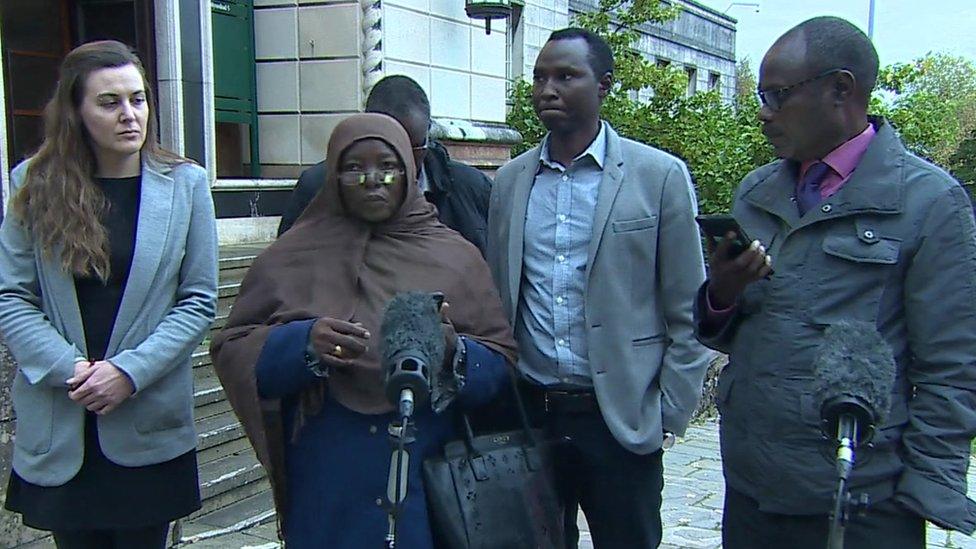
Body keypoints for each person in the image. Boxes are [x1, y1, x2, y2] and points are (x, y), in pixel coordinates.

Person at [696, 16, 976, 548]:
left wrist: (925, 488)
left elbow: (953, 366)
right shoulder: (757, 191)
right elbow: (723, 333)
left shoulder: (929, 203)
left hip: (863, 499)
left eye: (777, 96)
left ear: (840, 89)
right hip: (753, 485)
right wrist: (723, 293)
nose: (763, 113)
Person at [211, 113, 518, 548]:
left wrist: (452, 350)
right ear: (333, 175)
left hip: (427, 480)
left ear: (410, 172)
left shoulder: (454, 256)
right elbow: (234, 351)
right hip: (329, 481)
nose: (372, 179)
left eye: (387, 166)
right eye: (354, 168)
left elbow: (501, 363)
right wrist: (304, 343)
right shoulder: (292, 255)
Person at [486, 28, 711, 549]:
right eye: (540, 76)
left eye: (566, 76)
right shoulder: (511, 182)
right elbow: (501, 293)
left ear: (605, 84)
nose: (548, 88)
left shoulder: (658, 176)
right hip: (532, 412)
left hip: (620, 419)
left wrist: (668, 415)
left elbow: (688, 307)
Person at [0, 41, 218, 548]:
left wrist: (129, 372)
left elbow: (198, 300)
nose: (129, 115)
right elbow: (12, 297)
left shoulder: (185, 185)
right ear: (76, 112)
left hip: (146, 420)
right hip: (63, 419)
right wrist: (70, 370)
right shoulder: (32, 185)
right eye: (109, 102)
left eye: (138, 100)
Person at [276, 75, 492, 255]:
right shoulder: (317, 187)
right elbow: (288, 268)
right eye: (389, 152)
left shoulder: (471, 189)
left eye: (412, 148)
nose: (403, 161)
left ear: (428, 133)